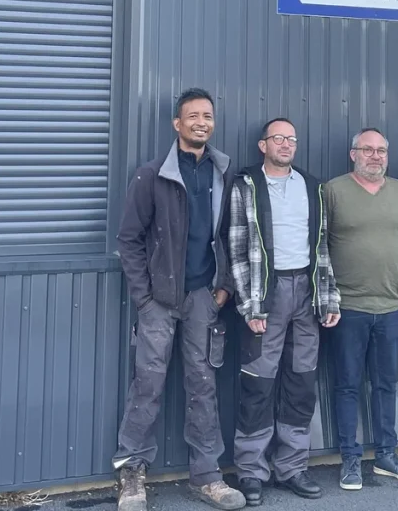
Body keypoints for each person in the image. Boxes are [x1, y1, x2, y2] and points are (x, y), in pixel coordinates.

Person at [112, 88, 244, 511]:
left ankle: (206, 476)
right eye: (192, 116)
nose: (201, 121)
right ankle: (132, 473)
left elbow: (230, 234)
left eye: (207, 115)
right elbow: (128, 241)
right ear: (177, 123)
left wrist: (224, 286)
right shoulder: (151, 175)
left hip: (205, 296)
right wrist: (144, 299)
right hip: (160, 300)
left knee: (203, 384)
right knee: (148, 383)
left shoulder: (224, 172)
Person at [229, 119, 341, 505]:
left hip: (307, 294)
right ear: (263, 145)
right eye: (278, 138)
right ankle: (251, 472)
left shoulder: (313, 186)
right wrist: (250, 304)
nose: (286, 144)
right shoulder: (247, 186)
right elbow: (237, 247)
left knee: (301, 382)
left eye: (292, 138)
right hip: (268, 292)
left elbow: (322, 247)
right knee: (258, 384)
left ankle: (292, 467)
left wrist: (329, 298)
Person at [325, 129, 398, 491]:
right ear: (353, 154)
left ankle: (386, 455)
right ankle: (350, 459)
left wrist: (396, 283)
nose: (375, 156)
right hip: (347, 307)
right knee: (348, 385)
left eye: (382, 150)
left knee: (385, 385)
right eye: (367, 149)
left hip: (391, 305)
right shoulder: (333, 191)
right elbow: (320, 247)